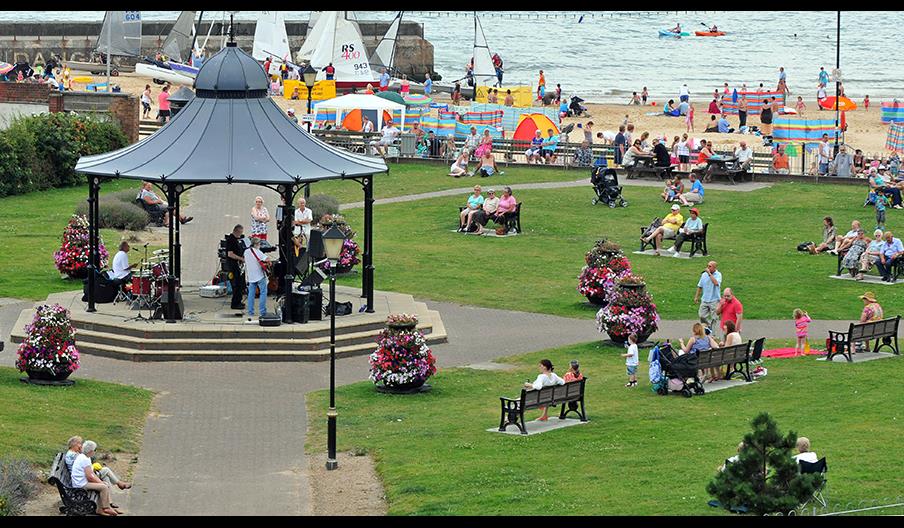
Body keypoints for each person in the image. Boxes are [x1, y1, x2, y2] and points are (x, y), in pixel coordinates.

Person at [71, 440, 119, 516]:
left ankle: (100, 509)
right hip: (81, 484)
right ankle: (106, 507)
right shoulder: (84, 459)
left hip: (82, 482)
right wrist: (100, 482)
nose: (95, 452)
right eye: (95, 450)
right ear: (90, 451)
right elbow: (89, 476)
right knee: (104, 487)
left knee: (104, 484)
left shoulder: (84, 457)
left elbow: (91, 473)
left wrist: (100, 481)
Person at [243, 237, 269, 322]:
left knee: (251, 293)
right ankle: (262, 311)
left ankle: (250, 311)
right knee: (263, 292)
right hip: (259, 275)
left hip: (251, 276)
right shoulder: (258, 252)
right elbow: (267, 259)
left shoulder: (246, 252)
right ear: (257, 244)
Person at [694, 261, 722, 331]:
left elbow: (716, 283)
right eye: (707, 266)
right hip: (705, 299)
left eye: (710, 266)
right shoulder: (704, 275)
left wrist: (709, 274)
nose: (707, 268)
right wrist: (696, 296)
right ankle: (708, 326)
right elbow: (700, 286)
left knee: (714, 318)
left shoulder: (718, 275)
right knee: (701, 316)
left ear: (714, 267)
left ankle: (713, 334)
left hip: (714, 300)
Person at [225, 224, 246, 310]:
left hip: (238, 265)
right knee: (236, 284)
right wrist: (240, 258)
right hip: (233, 266)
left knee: (240, 283)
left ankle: (239, 301)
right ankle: (235, 303)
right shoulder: (231, 240)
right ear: (237, 231)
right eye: (240, 233)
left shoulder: (237, 239)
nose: (241, 234)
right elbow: (230, 254)